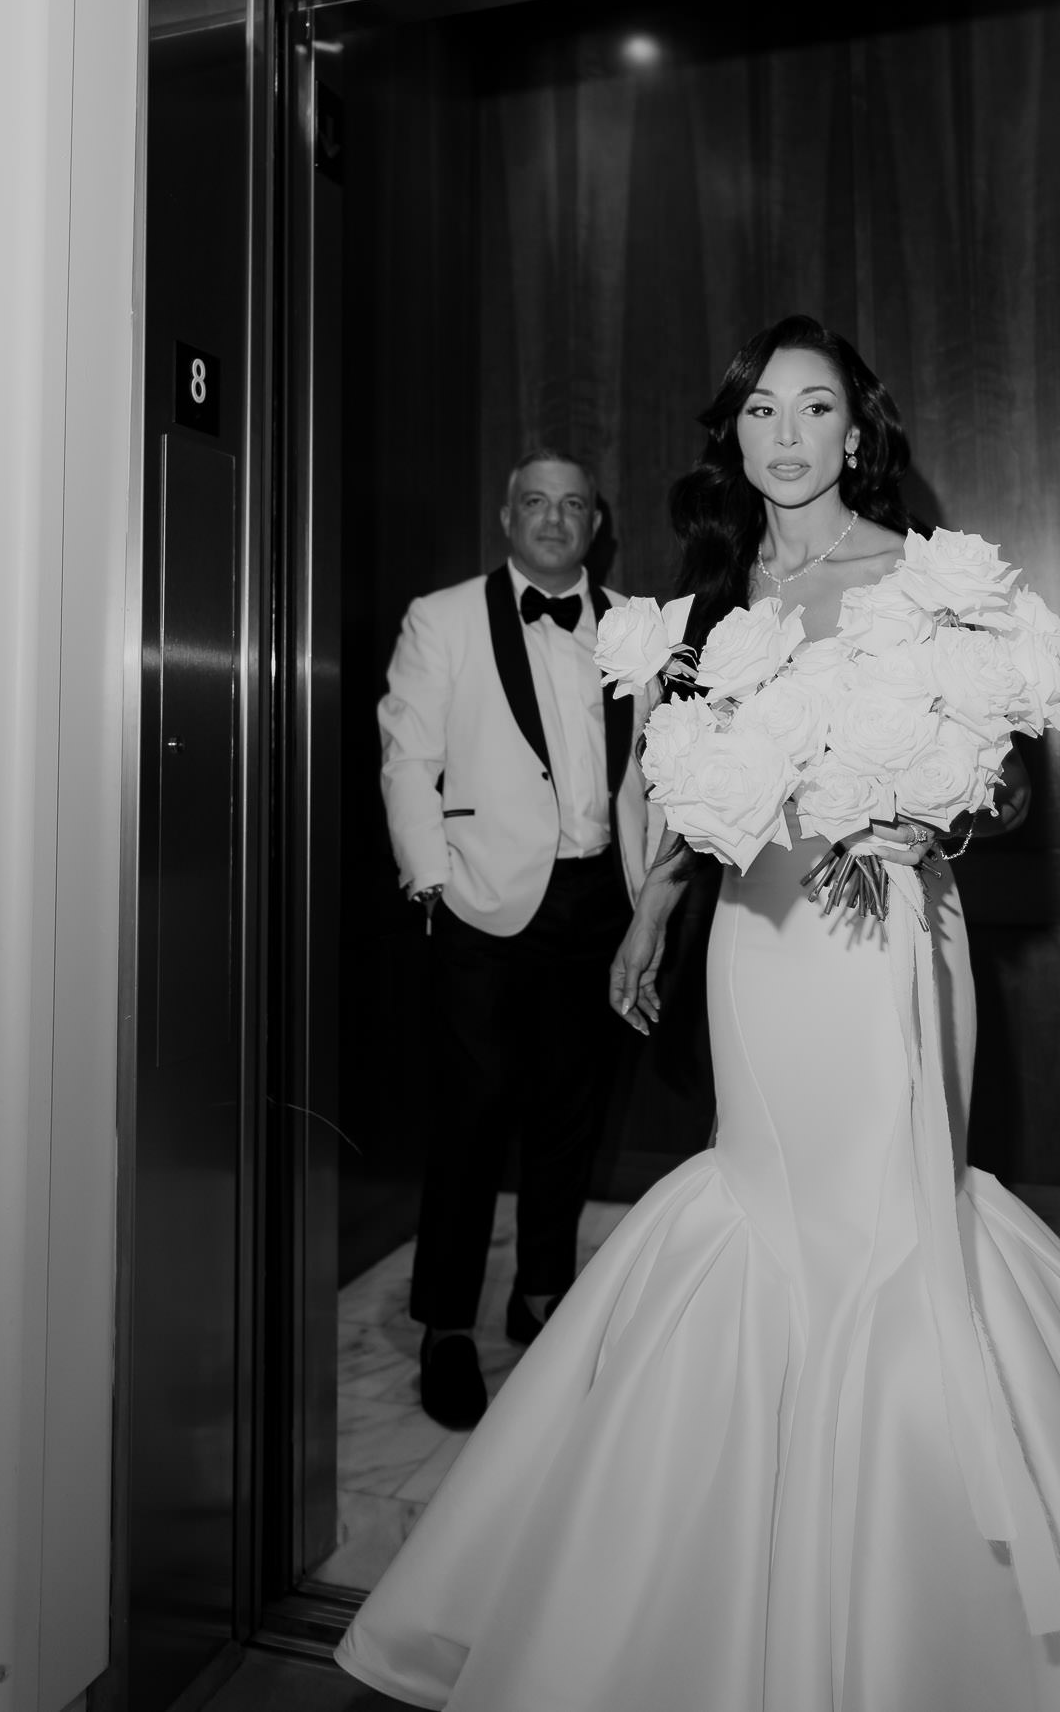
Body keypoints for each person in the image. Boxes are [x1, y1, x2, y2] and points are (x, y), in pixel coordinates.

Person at [340, 319, 1060, 1712]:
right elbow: (687, 786)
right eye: (761, 414)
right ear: (736, 439)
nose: (786, 435)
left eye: (816, 408)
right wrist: (658, 908)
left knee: (898, 1212)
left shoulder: (924, 581)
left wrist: (930, 818)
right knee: (767, 1203)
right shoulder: (716, 600)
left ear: (858, 432)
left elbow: (1014, 781)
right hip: (762, 938)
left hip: (894, 938)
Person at [378, 448, 651, 1431]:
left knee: (572, 1112)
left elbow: (651, 771)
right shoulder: (442, 617)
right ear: (507, 516)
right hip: (483, 903)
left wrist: (648, 899)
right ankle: (447, 1325)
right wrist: (433, 882)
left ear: (597, 522)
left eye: (572, 505)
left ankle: (542, 1294)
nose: (553, 518)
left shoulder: (634, 629)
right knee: (472, 1114)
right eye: (535, 502)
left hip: (595, 903)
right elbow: (409, 755)